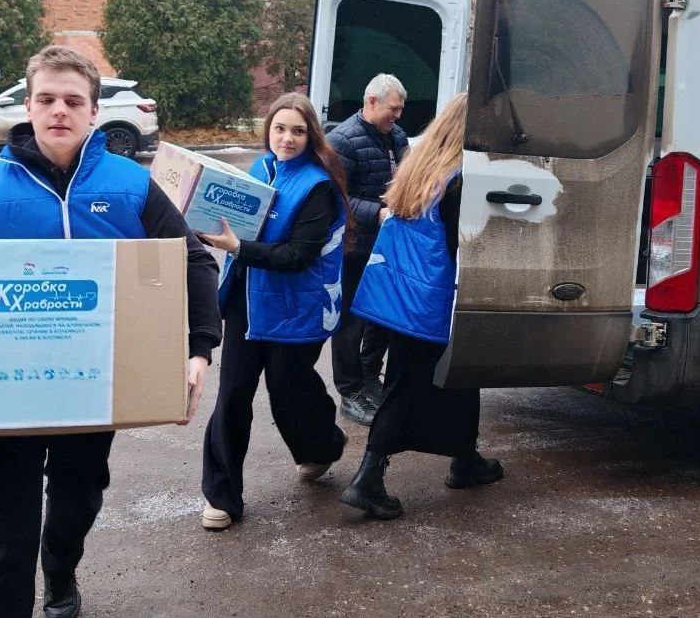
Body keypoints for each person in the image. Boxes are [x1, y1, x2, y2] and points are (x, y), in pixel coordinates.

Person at [0, 46, 222, 618]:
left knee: (77, 499)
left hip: (94, 389)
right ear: (29, 106)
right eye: (46, 99)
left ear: (94, 112)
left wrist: (197, 350)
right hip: (6, 395)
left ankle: (61, 564)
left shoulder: (129, 185)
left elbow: (194, 262)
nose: (59, 111)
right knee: (1, 541)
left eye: (73, 101)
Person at [339, 93, 503, 520]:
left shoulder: (420, 164)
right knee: (405, 386)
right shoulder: (460, 178)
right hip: (430, 301)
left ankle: (465, 460)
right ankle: (368, 478)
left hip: (402, 294)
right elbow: (465, 243)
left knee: (463, 377)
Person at [198, 93, 351, 530]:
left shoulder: (318, 186)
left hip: (295, 308)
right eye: (279, 129)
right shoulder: (260, 168)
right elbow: (232, 222)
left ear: (311, 136)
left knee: (290, 390)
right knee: (232, 397)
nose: (286, 138)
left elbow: (298, 256)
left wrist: (238, 247)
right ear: (268, 130)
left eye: (298, 131)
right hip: (247, 303)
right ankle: (222, 496)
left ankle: (320, 447)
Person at [326, 74, 410, 426]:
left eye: (401, 110)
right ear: (371, 102)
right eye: (394, 109)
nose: (398, 116)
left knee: (381, 316)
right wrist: (376, 211)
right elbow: (334, 198)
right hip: (355, 247)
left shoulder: (397, 136)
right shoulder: (342, 141)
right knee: (350, 321)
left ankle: (369, 377)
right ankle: (350, 392)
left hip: (386, 245)